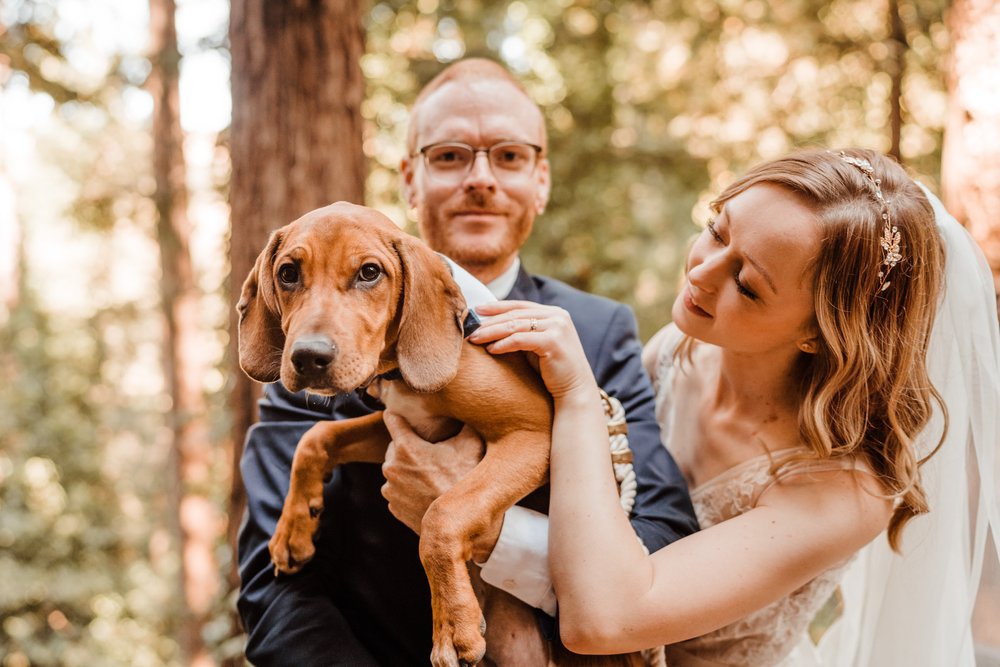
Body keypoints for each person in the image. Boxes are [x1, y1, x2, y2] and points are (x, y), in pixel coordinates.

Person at [384, 148, 1000, 665]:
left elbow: (604, 620)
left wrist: (575, 398)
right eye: (716, 228)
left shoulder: (846, 489)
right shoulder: (682, 348)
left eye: (748, 284)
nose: (703, 272)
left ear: (820, 332)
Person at [236, 58, 699, 665]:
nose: (480, 179)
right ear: (409, 178)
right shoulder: (311, 349)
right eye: (450, 156)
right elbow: (277, 593)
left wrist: (491, 533)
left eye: (508, 156)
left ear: (541, 180)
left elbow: (664, 546)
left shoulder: (599, 331)